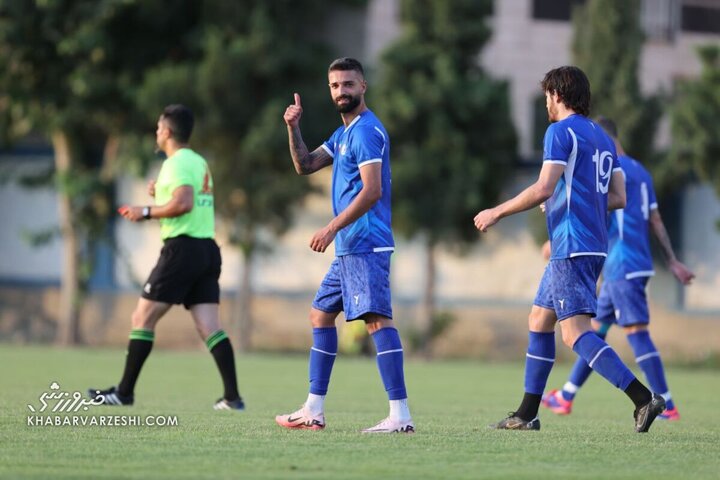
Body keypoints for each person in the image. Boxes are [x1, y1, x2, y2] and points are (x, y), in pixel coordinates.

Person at [473, 66, 665, 433]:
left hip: (571, 244)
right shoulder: (605, 139)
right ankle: (527, 413)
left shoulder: (559, 131)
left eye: (547, 95)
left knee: (575, 332)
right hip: (591, 245)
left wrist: (496, 210)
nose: (546, 102)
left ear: (557, 95)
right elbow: (618, 198)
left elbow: (544, 187)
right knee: (539, 320)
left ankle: (643, 398)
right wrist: (569, 199)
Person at [274, 57, 413, 433]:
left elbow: (372, 191)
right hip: (350, 247)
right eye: (335, 86)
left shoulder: (367, 131)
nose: (341, 92)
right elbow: (304, 164)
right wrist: (293, 127)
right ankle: (312, 410)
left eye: (349, 84)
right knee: (320, 315)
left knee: (377, 321)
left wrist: (332, 227)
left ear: (363, 87)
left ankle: (400, 416)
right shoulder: (343, 134)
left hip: (365, 242)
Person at [88, 104, 245, 411]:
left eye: (159, 128)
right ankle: (232, 397)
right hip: (206, 250)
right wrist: (159, 194)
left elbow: (184, 203)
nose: (156, 133)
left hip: (182, 250)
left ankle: (123, 393)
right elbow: (185, 199)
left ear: (168, 132)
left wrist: (144, 211)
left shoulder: (175, 163)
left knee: (142, 318)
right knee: (209, 326)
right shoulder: (198, 161)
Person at [542, 116, 694, 420]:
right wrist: (672, 259)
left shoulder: (609, 167)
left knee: (636, 332)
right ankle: (567, 394)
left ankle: (667, 403)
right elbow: (655, 219)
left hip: (622, 263)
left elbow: (593, 204)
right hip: (629, 265)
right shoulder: (643, 172)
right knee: (593, 332)